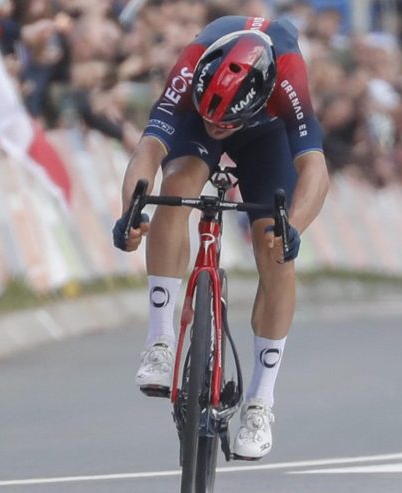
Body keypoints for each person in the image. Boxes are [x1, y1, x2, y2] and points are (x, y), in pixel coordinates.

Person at [112, 15, 329, 460]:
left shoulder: (287, 77)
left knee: (276, 249)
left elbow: (315, 171)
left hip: (265, 134)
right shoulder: (192, 66)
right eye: (212, 120)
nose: (217, 129)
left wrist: (293, 228)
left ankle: (260, 401)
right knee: (175, 187)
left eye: (223, 123)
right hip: (197, 111)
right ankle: (160, 340)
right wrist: (130, 209)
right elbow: (148, 150)